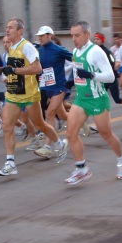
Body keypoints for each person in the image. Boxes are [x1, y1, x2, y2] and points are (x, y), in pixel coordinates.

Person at [0, 18, 68, 176]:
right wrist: (8, 75)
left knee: (40, 125)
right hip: (13, 94)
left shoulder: (26, 46)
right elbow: (14, 69)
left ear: (20, 31)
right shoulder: (10, 49)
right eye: (7, 27)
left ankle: (60, 143)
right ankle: (10, 163)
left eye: (11, 28)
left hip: (29, 94)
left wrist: (14, 71)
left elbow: (37, 68)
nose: (7, 30)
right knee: (7, 126)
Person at [64, 21, 122, 185]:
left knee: (106, 134)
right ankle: (81, 169)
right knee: (71, 134)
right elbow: (77, 70)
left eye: (77, 35)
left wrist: (91, 75)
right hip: (81, 98)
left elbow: (110, 76)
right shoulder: (75, 51)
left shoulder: (96, 52)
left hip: (97, 98)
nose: (74, 39)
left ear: (87, 35)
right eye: (72, 35)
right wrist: (69, 82)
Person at [33, 26, 73, 159]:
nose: (40, 38)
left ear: (50, 36)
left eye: (42, 35)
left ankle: (48, 147)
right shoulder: (38, 51)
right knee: (61, 115)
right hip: (47, 88)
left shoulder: (58, 49)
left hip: (59, 87)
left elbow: (75, 59)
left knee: (49, 113)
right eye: (39, 36)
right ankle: (80, 121)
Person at [93, 32, 122, 108]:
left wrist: (114, 72)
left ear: (102, 41)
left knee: (117, 99)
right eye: (95, 39)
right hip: (102, 79)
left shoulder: (107, 52)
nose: (96, 41)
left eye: (98, 39)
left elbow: (113, 63)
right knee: (99, 97)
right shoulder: (94, 51)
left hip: (111, 78)